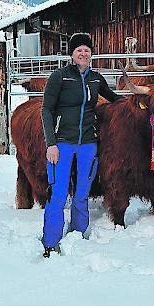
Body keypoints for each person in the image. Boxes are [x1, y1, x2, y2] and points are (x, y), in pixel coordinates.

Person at [40, 32, 123, 257]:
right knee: (57, 194)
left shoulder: (96, 78)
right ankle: (50, 241)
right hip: (63, 144)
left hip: (88, 143)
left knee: (82, 193)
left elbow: (115, 99)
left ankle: (77, 234)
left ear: (91, 54)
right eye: (79, 50)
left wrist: (141, 104)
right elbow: (46, 109)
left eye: (87, 50)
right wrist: (51, 144)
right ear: (72, 54)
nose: (83, 53)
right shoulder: (59, 77)